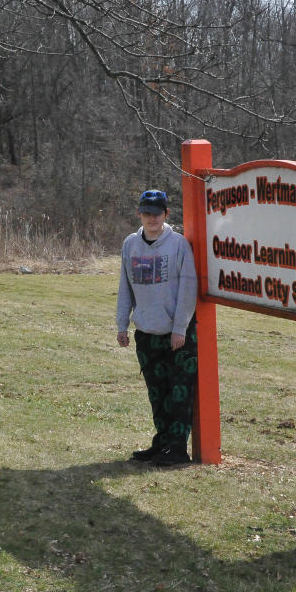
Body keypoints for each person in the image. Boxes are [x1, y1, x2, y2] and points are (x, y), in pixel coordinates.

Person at [116, 189, 198, 466]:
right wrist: (122, 324)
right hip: (146, 333)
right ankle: (162, 443)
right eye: (147, 213)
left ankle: (177, 449)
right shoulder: (130, 244)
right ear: (139, 213)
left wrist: (180, 328)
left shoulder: (178, 245)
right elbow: (125, 287)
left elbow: (188, 288)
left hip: (176, 335)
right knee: (157, 393)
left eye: (157, 213)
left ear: (167, 214)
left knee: (179, 393)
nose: (152, 218)